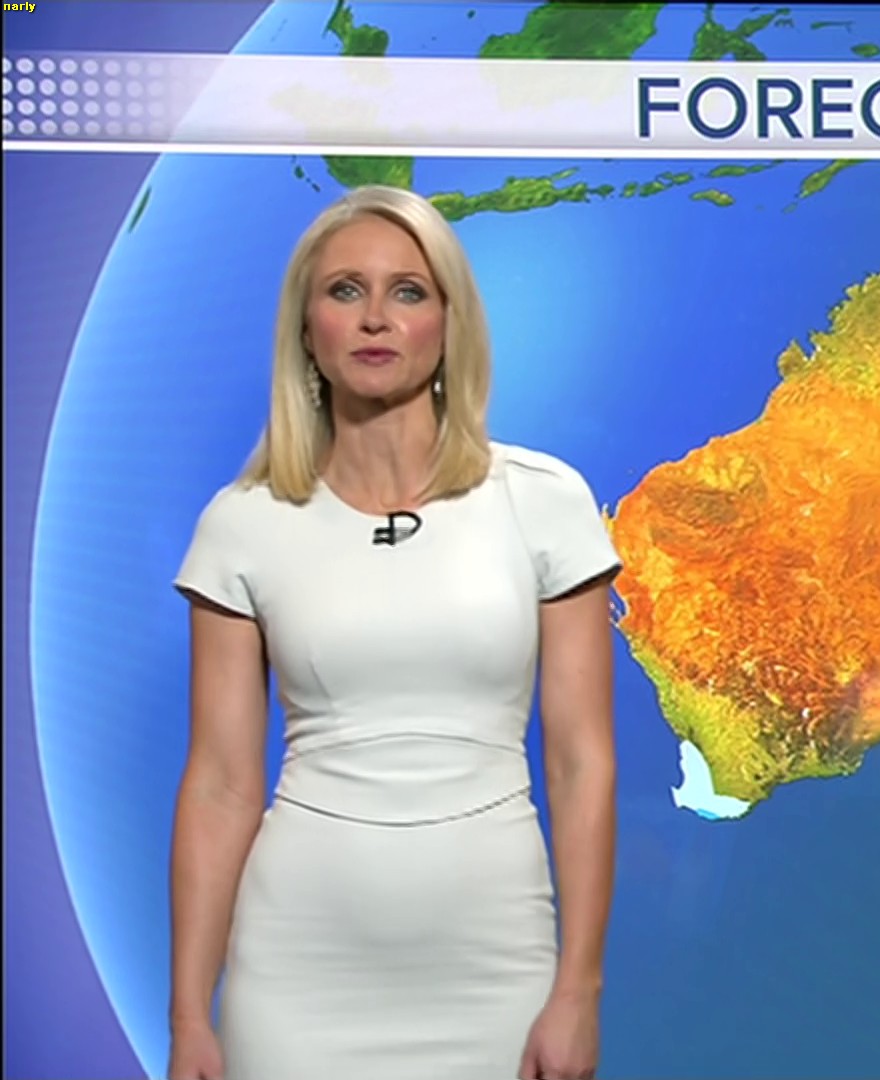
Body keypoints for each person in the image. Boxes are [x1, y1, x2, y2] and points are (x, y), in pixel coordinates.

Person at [166, 184, 619, 1080]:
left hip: (496, 963)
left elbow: (580, 763)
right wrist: (188, 1016)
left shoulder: (543, 502)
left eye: (407, 291)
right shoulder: (244, 523)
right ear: (307, 330)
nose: (375, 317)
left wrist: (578, 989)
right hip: (296, 969)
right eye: (345, 291)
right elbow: (219, 784)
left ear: (450, 323)